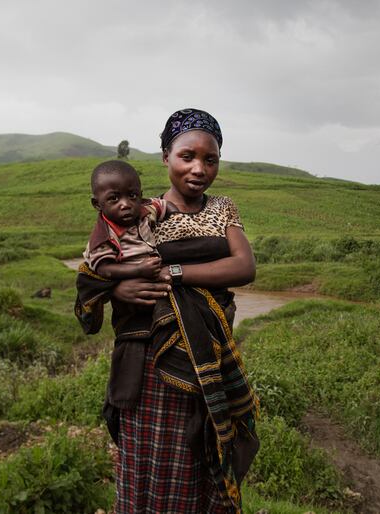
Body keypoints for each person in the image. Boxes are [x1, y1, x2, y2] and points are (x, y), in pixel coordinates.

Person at [75, 108, 259, 513]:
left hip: (206, 359)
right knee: (151, 463)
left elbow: (244, 267)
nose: (198, 169)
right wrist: (118, 285)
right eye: (187, 157)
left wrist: (174, 271)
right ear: (165, 158)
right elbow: (98, 264)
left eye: (210, 159)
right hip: (151, 364)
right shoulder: (140, 212)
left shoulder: (223, 209)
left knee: (199, 459)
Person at [83, 159, 176, 280]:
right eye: (114, 198)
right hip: (131, 284)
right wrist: (138, 270)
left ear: (141, 196)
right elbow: (104, 270)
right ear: (97, 204)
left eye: (132, 196)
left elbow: (166, 205)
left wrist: (178, 216)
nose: (126, 204)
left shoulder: (146, 209)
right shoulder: (104, 237)